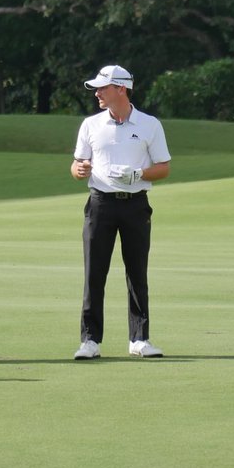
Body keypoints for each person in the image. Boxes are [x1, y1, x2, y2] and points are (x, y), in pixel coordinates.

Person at [69, 65, 172, 360]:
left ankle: (139, 339)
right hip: (100, 203)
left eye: (102, 88)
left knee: (137, 272)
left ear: (121, 89)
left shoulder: (150, 124)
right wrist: (79, 170)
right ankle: (90, 340)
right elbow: (77, 166)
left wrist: (138, 173)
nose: (97, 93)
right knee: (94, 273)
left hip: (136, 204)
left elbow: (163, 168)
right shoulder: (91, 125)